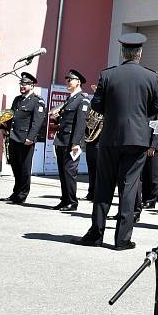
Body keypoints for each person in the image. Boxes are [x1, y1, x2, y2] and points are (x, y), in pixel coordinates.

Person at [71, 33, 158, 250]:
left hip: (110, 138)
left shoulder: (108, 75)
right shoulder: (151, 77)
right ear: (139, 53)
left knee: (103, 186)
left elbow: (97, 106)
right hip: (138, 139)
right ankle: (122, 239)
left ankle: (96, 234)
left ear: (123, 52)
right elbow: (155, 109)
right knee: (129, 189)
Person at [0, 72, 46, 204]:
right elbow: (10, 115)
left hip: (26, 140)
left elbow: (38, 122)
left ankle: (22, 194)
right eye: (21, 84)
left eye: (25, 84)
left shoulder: (37, 101)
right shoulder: (17, 99)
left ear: (32, 86)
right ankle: (16, 192)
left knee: (25, 168)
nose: (22, 86)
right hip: (14, 138)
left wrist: (31, 138)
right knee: (16, 167)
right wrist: (2, 127)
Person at [51, 69, 90, 211]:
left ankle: (72, 202)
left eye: (70, 79)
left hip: (71, 142)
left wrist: (76, 143)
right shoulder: (70, 99)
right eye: (67, 79)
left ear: (78, 82)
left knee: (69, 172)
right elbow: (66, 120)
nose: (67, 81)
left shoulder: (82, 99)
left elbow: (81, 123)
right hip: (62, 140)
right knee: (62, 172)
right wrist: (57, 118)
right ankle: (64, 199)